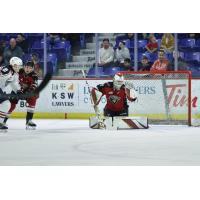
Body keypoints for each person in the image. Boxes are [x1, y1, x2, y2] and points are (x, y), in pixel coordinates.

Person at [3, 61, 39, 130]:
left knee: (33, 97)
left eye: (30, 68)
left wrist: (28, 92)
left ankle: (29, 121)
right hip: (17, 90)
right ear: (24, 67)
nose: (28, 69)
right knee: (11, 106)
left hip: (27, 93)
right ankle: (3, 121)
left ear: (33, 69)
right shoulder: (19, 71)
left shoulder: (34, 76)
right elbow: (13, 80)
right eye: (26, 67)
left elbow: (34, 86)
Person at [0, 57, 23, 131]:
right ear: (14, 65)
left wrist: (19, 92)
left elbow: (15, 85)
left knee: (6, 104)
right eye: (19, 65)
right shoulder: (6, 70)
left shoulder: (15, 74)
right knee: (6, 103)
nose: (20, 67)